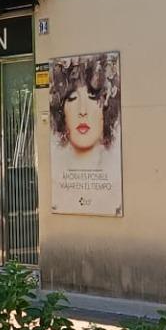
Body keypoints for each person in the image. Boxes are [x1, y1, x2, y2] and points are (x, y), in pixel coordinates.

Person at [48, 53, 121, 213]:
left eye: (92, 97)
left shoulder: (117, 182)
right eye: (73, 98)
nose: (82, 111)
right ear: (61, 110)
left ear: (106, 105)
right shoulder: (53, 182)